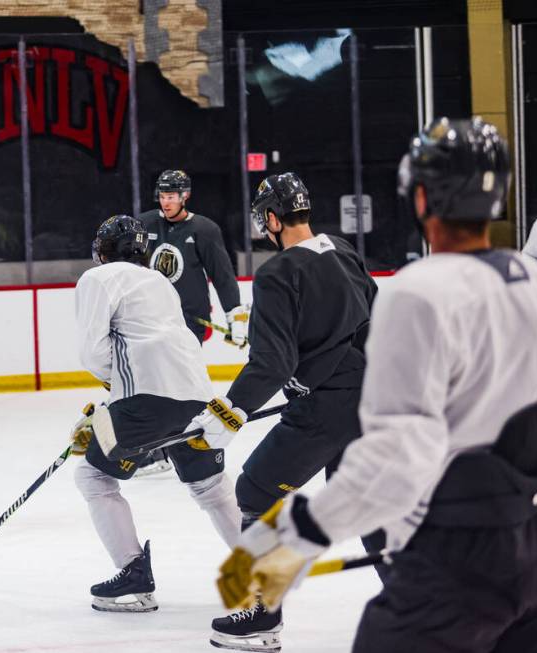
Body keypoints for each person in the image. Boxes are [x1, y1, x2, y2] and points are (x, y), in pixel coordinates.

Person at [217, 117, 537, 652]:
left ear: (419, 197)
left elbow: (393, 454)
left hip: (464, 549)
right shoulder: (530, 278)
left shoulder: (419, 293)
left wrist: (291, 539)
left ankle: (261, 612)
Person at [208, 172, 378, 652]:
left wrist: (230, 410)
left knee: (255, 489)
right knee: (369, 512)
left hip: (324, 414)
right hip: (369, 404)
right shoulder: (344, 251)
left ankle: (263, 615)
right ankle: (428, 611)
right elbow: (370, 327)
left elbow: (271, 363)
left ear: (274, 219)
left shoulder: (277, 273)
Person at [70, 213, 244, 613]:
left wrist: (113, 404)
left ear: (103, 250)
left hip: (145, 398)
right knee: (211, 488)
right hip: (197, 394)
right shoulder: (160, 281)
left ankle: (133, 575)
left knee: (93, 477)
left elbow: (92, 351)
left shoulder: (97, 278)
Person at [136, 170, 248, 476]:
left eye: (172, 196)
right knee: (153, 383)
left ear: (185, 196)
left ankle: (188, 444)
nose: (166, 201)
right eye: (162, 195)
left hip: (188, 324)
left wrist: (235, 315)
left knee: (179, 383)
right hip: (153, 320)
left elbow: (222, 275)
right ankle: (159, 450)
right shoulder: (145, 224)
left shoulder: (204, 229)